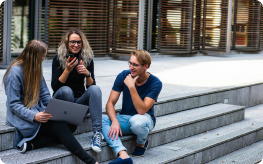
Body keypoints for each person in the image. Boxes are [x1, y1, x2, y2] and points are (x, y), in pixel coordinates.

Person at [3, 40, 99, 164]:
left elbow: (45, 95)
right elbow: (14, 104)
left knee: (71, 125)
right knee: (61, 127)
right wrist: (34, 116)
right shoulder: (14, 73)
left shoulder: (36, 68)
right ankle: (91, 161)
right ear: (34, 57)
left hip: (38, 111)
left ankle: (33, 144)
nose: (43, 59)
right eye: (42, 57)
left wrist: (54, 109)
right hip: (24, 117)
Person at [102, 50, 162, 164]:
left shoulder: (156, 83)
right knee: (100, 119)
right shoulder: (123, 75)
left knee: (137, 121)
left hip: (144, 119)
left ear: (146, 66)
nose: (131, 67)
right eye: (130, 63)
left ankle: (141, 142)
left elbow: (142, 110)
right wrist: (114, 121)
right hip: (125, 118)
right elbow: (110, 103)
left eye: (135, 65)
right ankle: (123, 154)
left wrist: (131, 87)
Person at [51, 28, 103, 153]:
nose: (76, 45)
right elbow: (55, 87)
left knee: (95, 88)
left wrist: (87, 74)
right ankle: (67, 128)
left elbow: (91, 88)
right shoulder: (58, 59)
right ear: (67, 43)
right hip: (63, 102)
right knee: (66, 91)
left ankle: (97, 134)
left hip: (79, 103)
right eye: (72, 42)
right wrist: (67, 70)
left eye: (79, 42)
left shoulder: (87, 59)